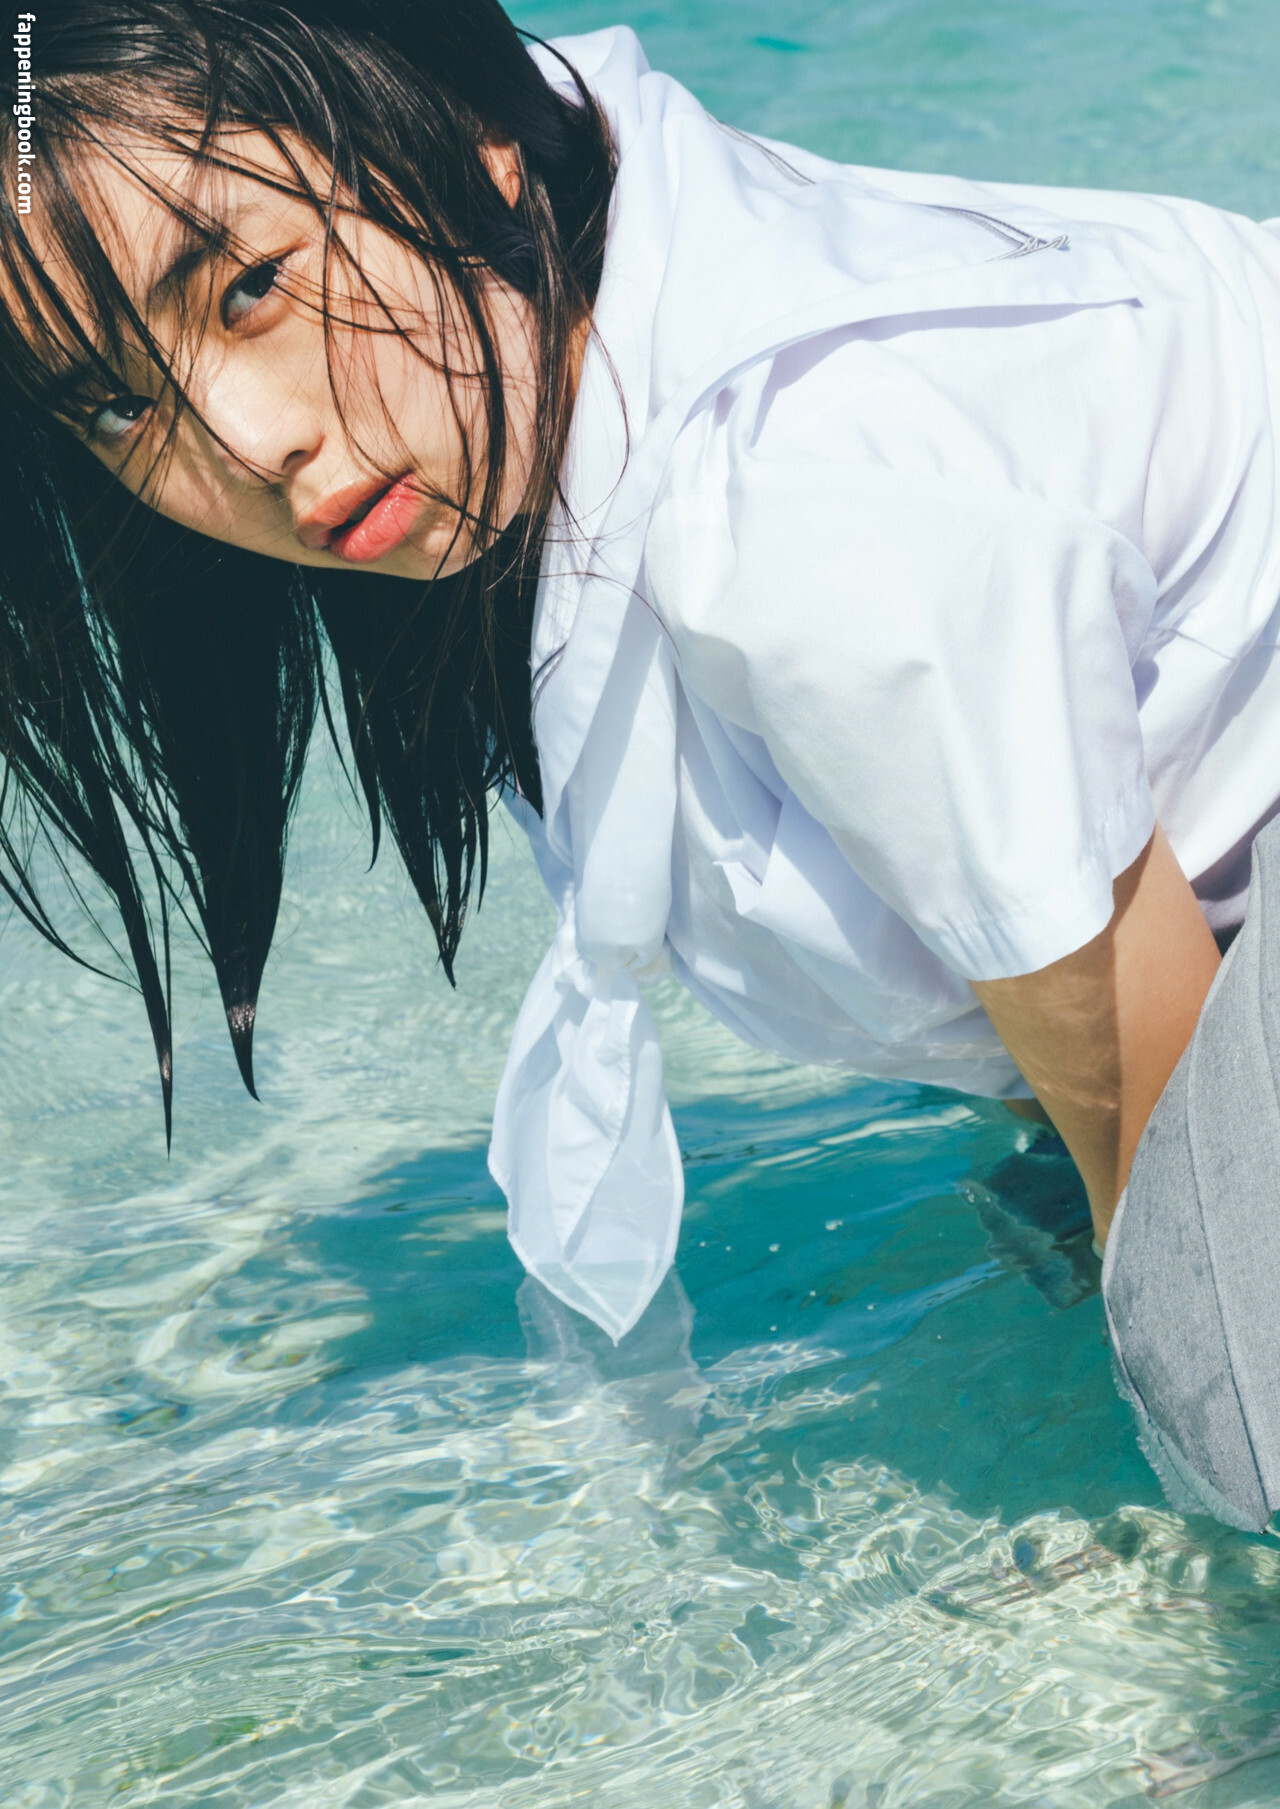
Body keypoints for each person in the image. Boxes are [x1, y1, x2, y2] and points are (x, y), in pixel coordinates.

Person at [0, 0, 1270, 1356]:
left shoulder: (805, 514)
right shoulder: (590, 320)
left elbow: (1186, 1179)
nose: (248, 443)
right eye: (117, 404)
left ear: (461, 137)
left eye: (250, 286)